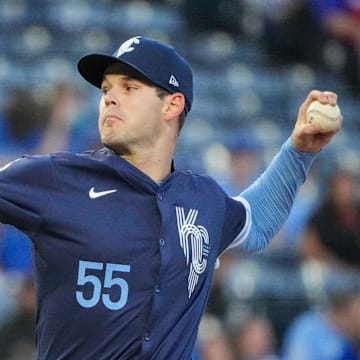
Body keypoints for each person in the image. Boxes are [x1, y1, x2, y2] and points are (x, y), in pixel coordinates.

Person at [0, 35, 340, 359]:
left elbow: (258, 220)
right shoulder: (57, 179)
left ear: (172, 105)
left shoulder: (202, 200)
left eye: (129, 87)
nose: (109, 98)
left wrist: (299, 151)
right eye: (106, 89)